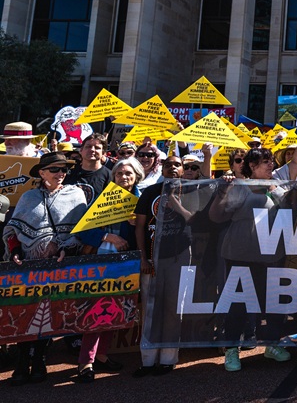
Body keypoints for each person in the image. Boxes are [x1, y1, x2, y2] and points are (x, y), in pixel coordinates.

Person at [209, 148, 297, 372]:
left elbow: (296, 162)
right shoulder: (239, 186)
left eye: (271, 162)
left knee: (274, 302)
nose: (270, 166)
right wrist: (222, 192)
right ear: (252, 166)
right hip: (239, 255)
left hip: (271, 255)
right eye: (265, 162)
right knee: (238, 305)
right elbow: (216, 217)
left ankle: (272, 345)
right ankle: (232, 350)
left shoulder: (279, 182)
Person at [3, 152, 87, 385]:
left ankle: (39, 360)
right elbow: (13, 230)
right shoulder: (29, 197)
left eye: (64, 170)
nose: (61, 174)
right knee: (25, 312)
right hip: (30, 263)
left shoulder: (75, 194)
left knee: (49, 313)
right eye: (55, 170)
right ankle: (22, 362)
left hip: (61, 264)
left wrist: (67, 249)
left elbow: (81, 230)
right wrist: (16, 251)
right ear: (42, 173)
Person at [75, 156, 146, 382]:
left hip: (127, 264)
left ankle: (102, 356)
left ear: (137, 177)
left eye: (128, 174)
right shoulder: (101, 199)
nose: (123, 177)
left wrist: (139, 225)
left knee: (114, 310)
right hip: (101, 263)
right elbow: (82, 232)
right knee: (95, 310)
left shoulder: (141, 201)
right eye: (118, 173)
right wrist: (108, 236)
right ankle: (86, 362)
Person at [132, 155, 185, 377]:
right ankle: (147, 359)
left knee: (173, 310)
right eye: (168, 164)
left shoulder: (192, 191)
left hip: (178, 260)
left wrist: (176, 204)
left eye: (177, 165)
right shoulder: (149, 192)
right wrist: (143, 258)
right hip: (152, 261)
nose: (172, 167)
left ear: (183, 170)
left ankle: (168, 359)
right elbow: (140, 227)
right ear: (161, 168)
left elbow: (196, 222)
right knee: (151, 310)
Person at [66, 133, 113, 205]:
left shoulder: (110, 176)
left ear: (104, 153)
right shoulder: (68, 174)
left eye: (97, 147)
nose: (92, 150)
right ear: (81, 150)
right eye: (88, 146)